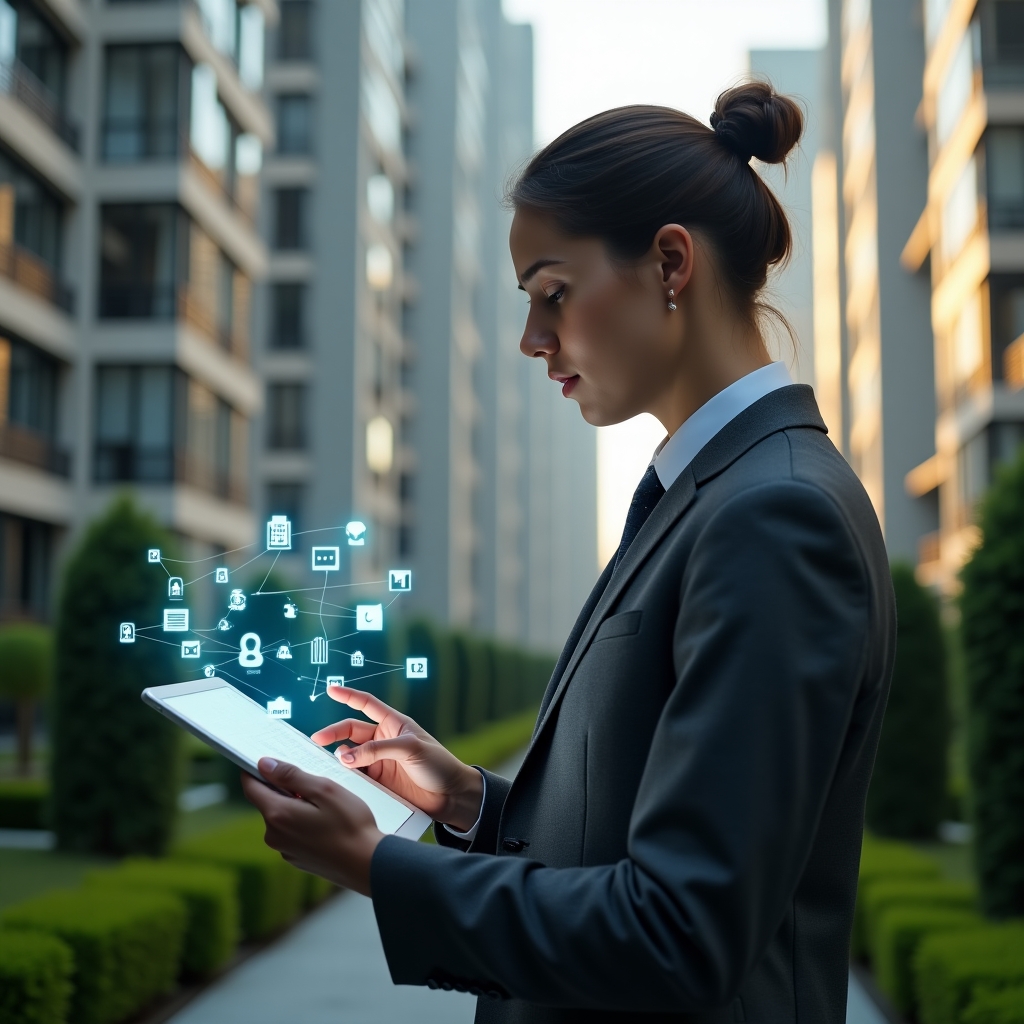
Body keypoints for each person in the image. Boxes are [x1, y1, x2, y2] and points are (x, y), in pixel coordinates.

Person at [242, 82, 896, 1023]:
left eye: (554, 292)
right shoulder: (710, 491)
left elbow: (679, 931)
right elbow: (631, 838)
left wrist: (381, 868)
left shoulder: (776, 515)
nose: (530, 339)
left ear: (672, 262)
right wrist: (468, 802)